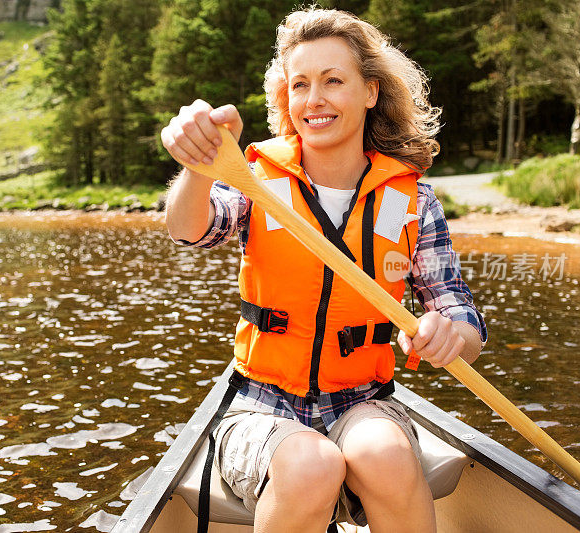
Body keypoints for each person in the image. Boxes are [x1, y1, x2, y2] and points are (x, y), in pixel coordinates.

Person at [162, 8, 486, 533]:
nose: (314, 99)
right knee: (311, 465)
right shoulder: (257, 183)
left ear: (371, 91)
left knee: (385, 455)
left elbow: (457, 310)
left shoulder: (415, 201)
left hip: (363, 401)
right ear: (286, 98)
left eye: (334, 80)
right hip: (262, 403)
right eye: (301, 84)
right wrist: (199, 170)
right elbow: (190, 228)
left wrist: (453, 334)